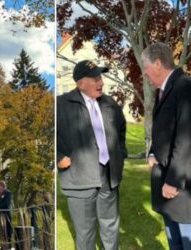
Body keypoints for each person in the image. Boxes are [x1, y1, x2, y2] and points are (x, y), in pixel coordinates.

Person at [142, 42, 191, 250]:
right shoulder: (164, 91)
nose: (145, 74)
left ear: (157, 64)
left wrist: (173, 180)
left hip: (184, 184)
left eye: (145, 69)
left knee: (189, 244)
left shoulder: (185, 87)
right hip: (169, 182)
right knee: (175, 243)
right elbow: (164, 131)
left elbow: (185, 137)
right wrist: (153, 152)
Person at [56, 59, 127, 250]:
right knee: (85, 233)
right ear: (80, 83)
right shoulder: (60, 104)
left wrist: (120, 153)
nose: (101, 82)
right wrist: (57, 156)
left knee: (110, 227)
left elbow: (121, 130)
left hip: (108, 176)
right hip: (79, 178)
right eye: (95, 78)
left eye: (100, 77)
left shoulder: (109, 103)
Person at [0, 181, 12, 250]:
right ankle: (2, 246)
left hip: (5, 215)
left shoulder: (7, 193)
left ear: (2, 186)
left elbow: (6, 204)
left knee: (7, 231)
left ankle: (8, 247)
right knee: (1, 231)